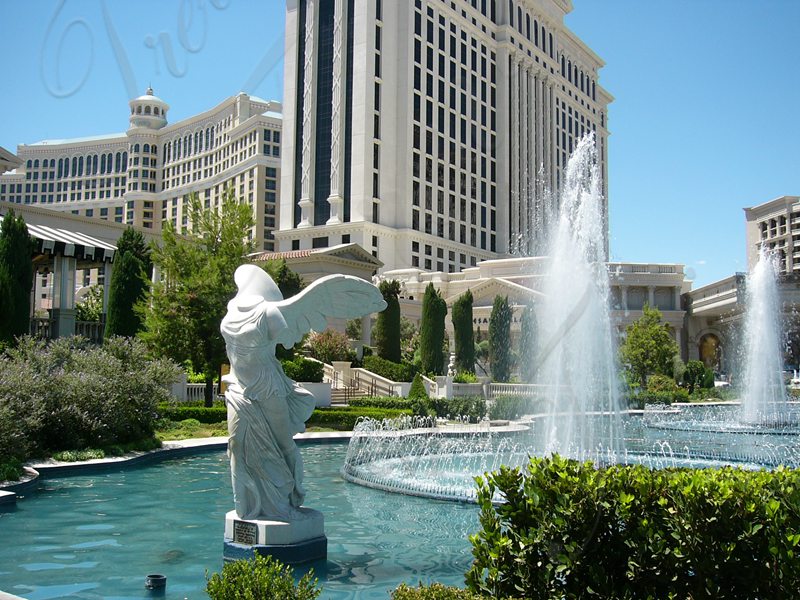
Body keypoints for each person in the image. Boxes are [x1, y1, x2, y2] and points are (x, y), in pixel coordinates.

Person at [220, 264, 386, 520]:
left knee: (283, 442)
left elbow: (287, 336)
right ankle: (246, 506)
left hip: (266, 386)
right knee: (236, 444)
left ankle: (291, 495)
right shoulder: (232, 308)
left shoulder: (270, 312)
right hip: (238, 388)